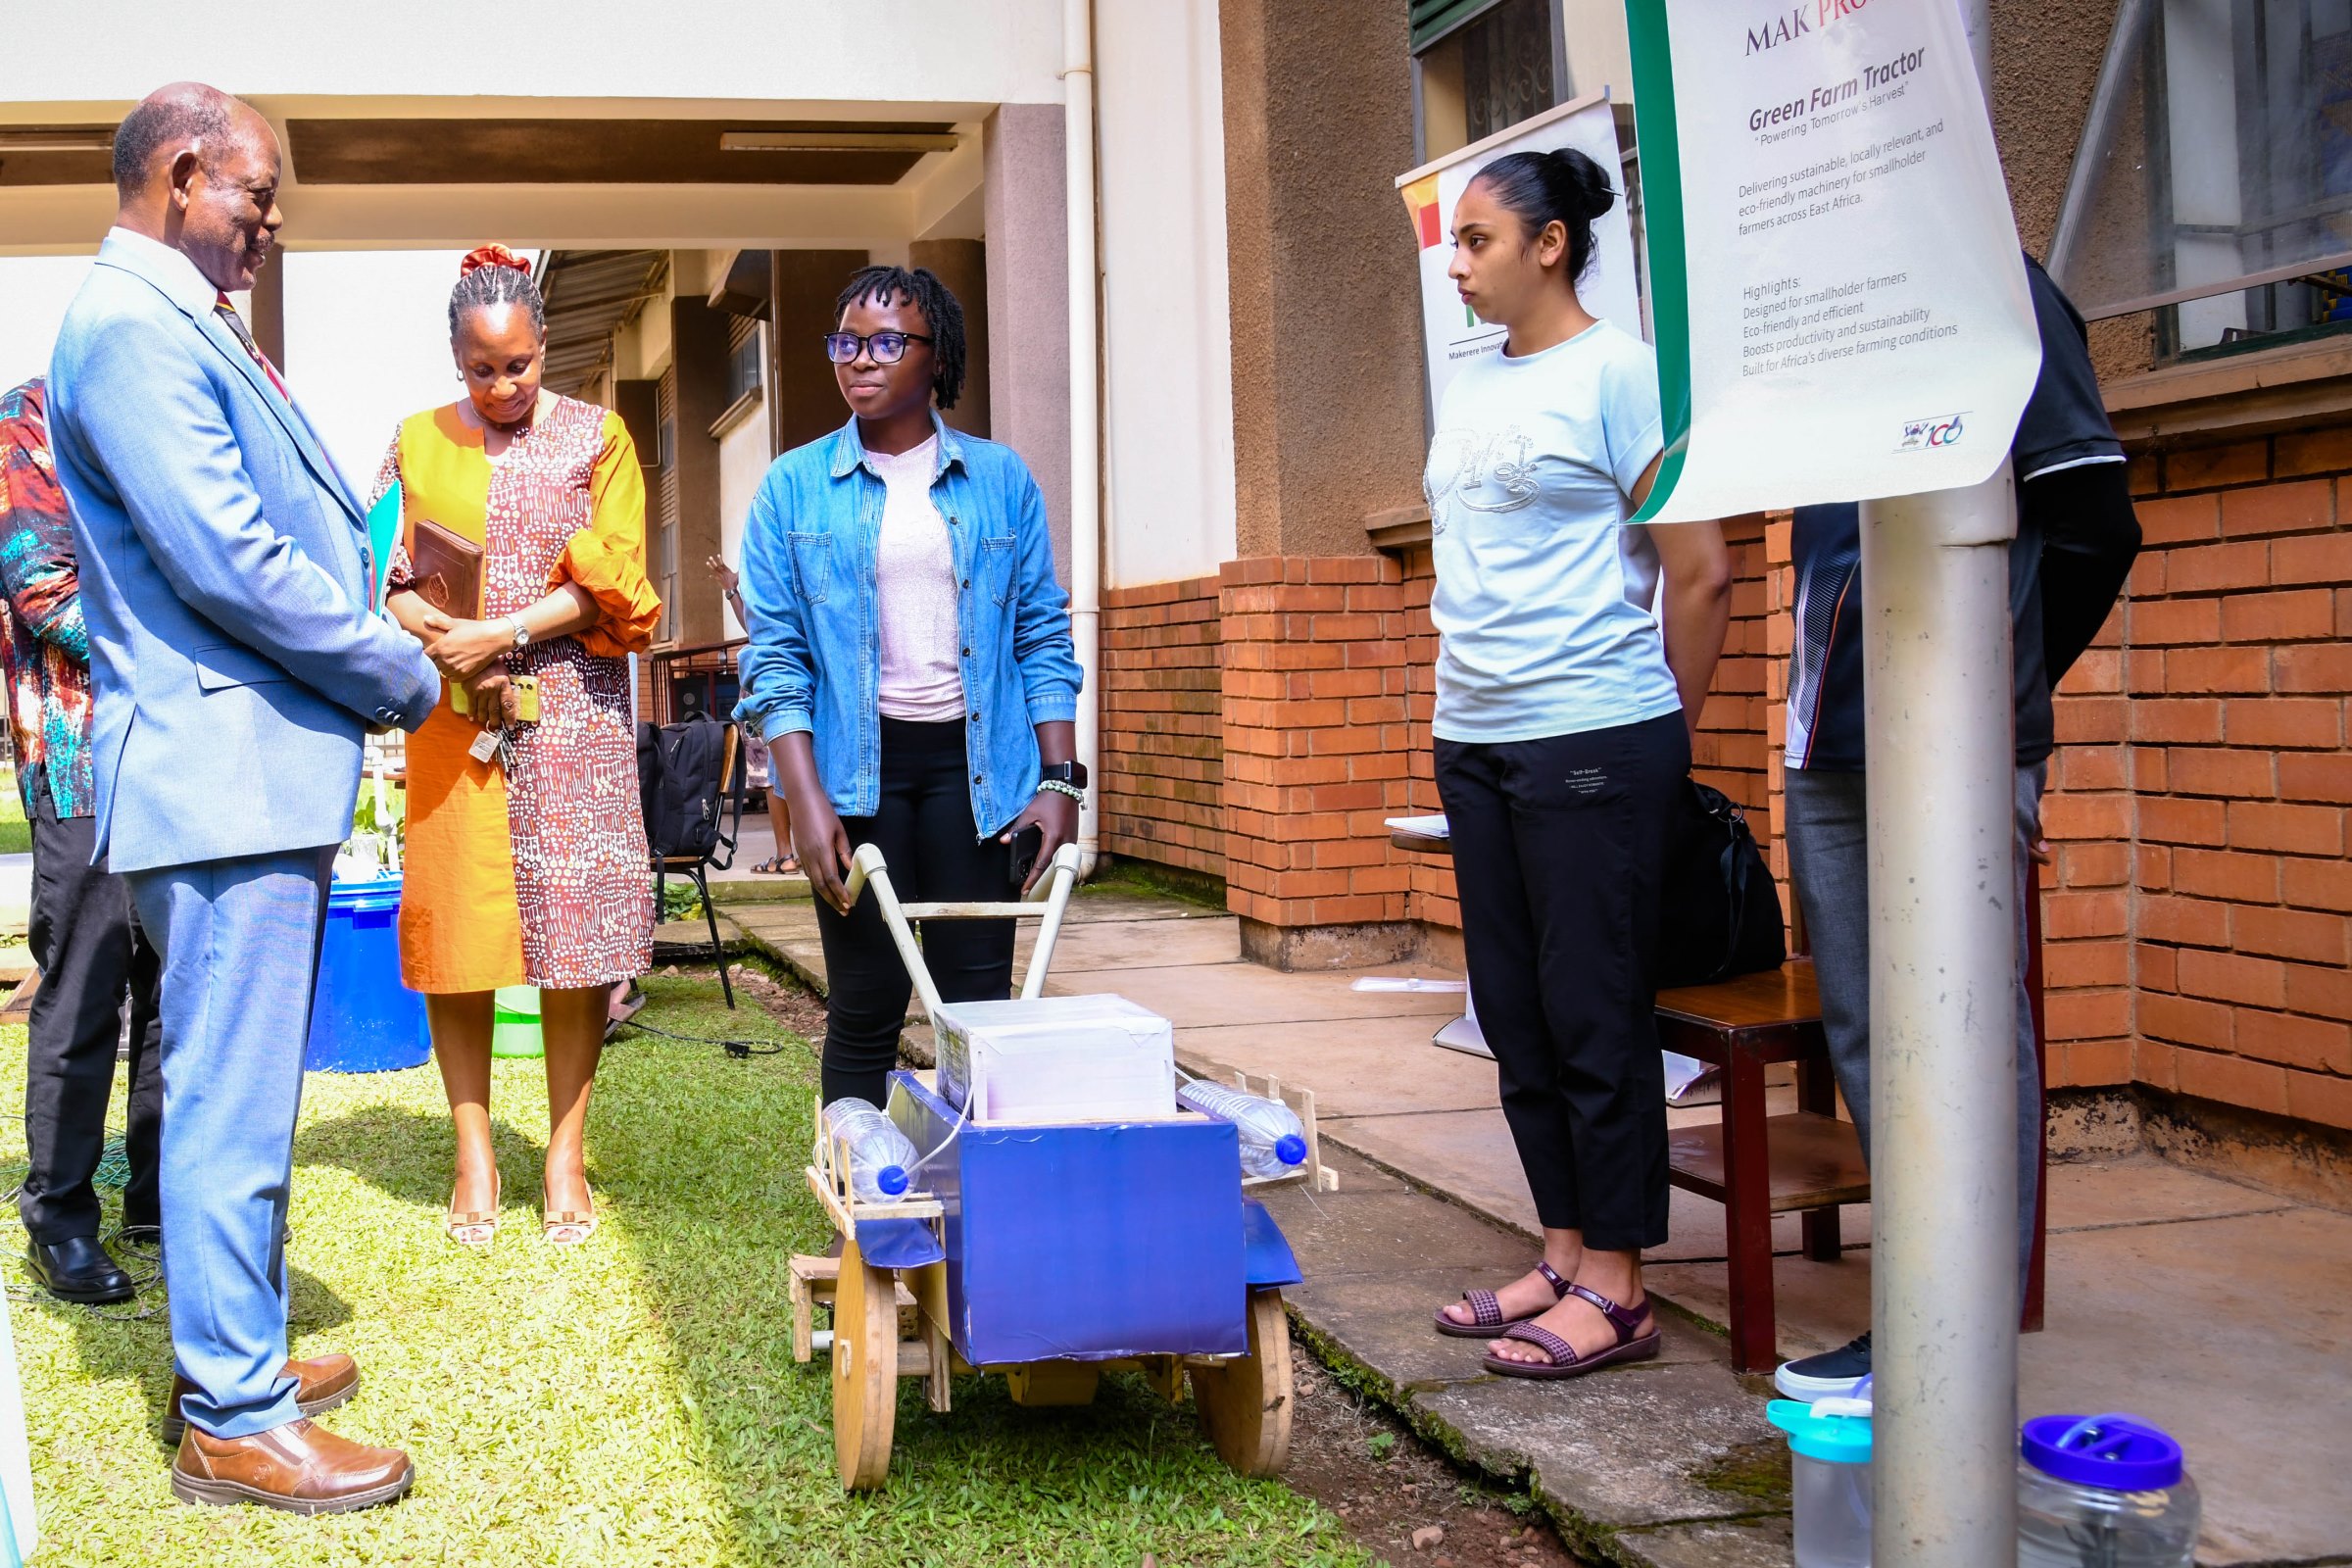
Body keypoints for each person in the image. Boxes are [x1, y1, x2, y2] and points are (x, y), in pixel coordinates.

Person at [47, 82, 439, 1512]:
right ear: (182, 172)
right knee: (227, 1096)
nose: (268, 221)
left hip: (245, 767)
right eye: (256, 194)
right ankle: (233, 1416)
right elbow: (226, 559)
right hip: (225, 773)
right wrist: (393, 666)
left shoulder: (167, 320)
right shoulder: (131, 328)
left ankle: (237, 1353)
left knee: (237, 1089)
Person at [1774, 254, 2141, 1402]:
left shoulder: (1997, 287)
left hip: (1959, 733)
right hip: (1830, 735)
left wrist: (1997, 682)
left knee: (1967, 1029)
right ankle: (1918, 1320)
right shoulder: (1831, 292)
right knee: (1875, 1030)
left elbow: (2094, 526)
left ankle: (1960, 1346)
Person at [1420, 150, 1731, 1380]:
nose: (1457, 264)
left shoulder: (1624, 375)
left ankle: (1621, 1282)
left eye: (1479, 240)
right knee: (1516, 1008)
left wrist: (1663, 742)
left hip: (1596, 734)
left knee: (1597, 1011)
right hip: (1477, 736)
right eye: (1455, 242)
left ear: (1550, 244)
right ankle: (1560, 1249)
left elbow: (1700, 568)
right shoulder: (1474, 385)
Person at [734, 265, 1082, 1109]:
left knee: (976, 1011)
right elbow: (775, 654)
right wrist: (805, 797)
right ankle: (865, 1222)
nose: (860, 360)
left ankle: (976, 1214)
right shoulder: (792, 486)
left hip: (979, 778)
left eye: (887, 342)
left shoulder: (1001, 479)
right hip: (856, 776)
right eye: (846, 342)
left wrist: (1059, 780)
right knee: (865, 1006)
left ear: (937, 357)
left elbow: (1040, 632)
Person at [375, 245, 661, 1250]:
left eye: (521, 365)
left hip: (571, 715)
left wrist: (501, 633)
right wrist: (446, 643)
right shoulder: (414, 442)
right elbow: (386, 574)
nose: (502, 386)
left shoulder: (601, 436)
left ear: (545, 349)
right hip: (456, 720)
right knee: (462, 948)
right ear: (456, 358)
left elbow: (614, 577)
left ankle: (565, 1157)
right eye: (481, 369)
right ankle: (474, 1157)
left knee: (572, 946)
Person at [0, 375, 163, 1305]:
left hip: (182, 756)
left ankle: (156, 1198)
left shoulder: (171, 413)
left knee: (174, 987)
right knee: (84, 986)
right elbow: (45, 591)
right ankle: (58, 1218)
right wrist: (192, 626)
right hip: (80, 756)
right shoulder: (31, 420)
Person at [708, 553, 796, 874]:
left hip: (771, 678)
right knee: (785, 768)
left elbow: (758, 630)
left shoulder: (770, 566)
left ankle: (786, 854)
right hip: (787, 676)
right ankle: (792, 853)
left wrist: (733, 590)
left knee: (773, 771)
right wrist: (732, 590)